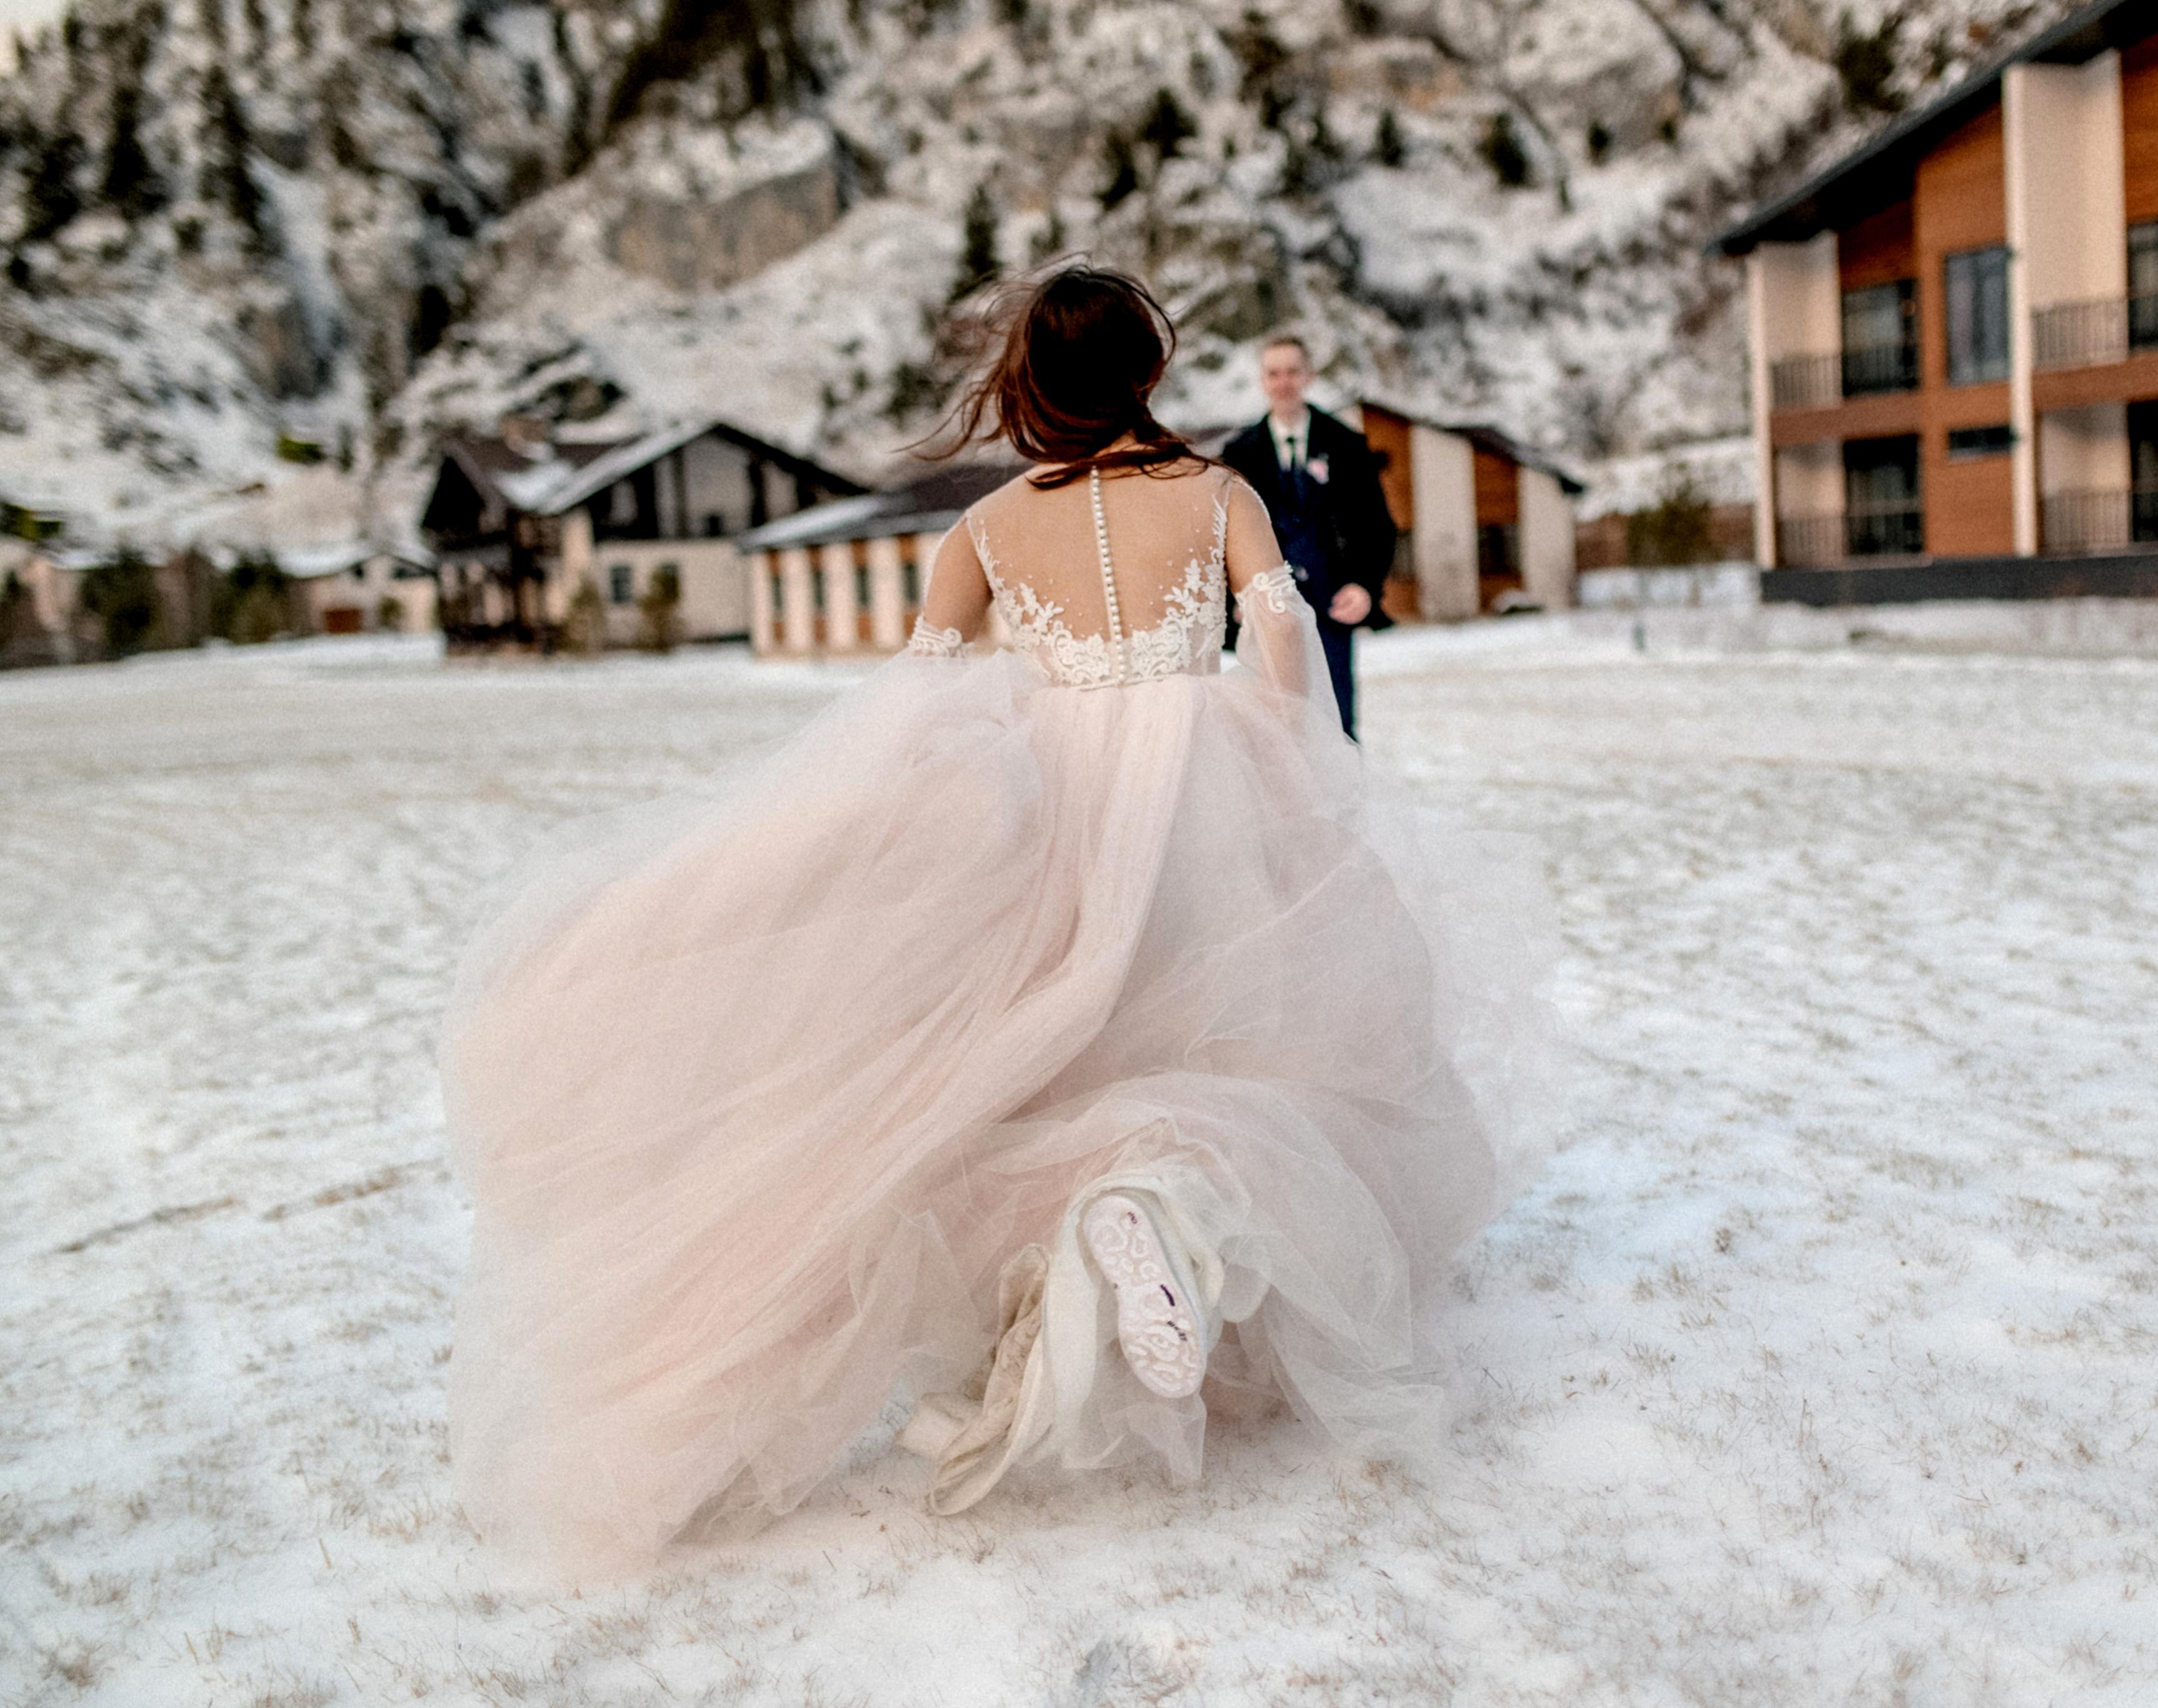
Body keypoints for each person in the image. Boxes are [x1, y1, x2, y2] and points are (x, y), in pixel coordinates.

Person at [439, 264, 1555, 1572]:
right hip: (1210, 786)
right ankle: (1164, 1208)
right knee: (1241, 1038)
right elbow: (1284, 647)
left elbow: (915, 717)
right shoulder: (1217, 492)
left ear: (1030, 381)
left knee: (1045, 1058)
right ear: (1149, 364)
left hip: (1054, 815)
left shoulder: (985, 529)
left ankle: (1106, 1214)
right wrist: (1286, 765)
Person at [1220, 336, 1396, 740]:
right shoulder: (1239, 453)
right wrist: (1238, 597)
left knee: (1336, 721)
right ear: (1263, 381)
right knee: (1275, 724)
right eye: (1274, 373)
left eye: (1292, 372)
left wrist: (1365, 586)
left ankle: (1343, 803)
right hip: (1267, 611)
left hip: (1332, 607)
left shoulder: (1345, 444)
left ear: (1308, 377)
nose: (1284, 382)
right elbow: (1223, 536)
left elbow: (1378, 526)